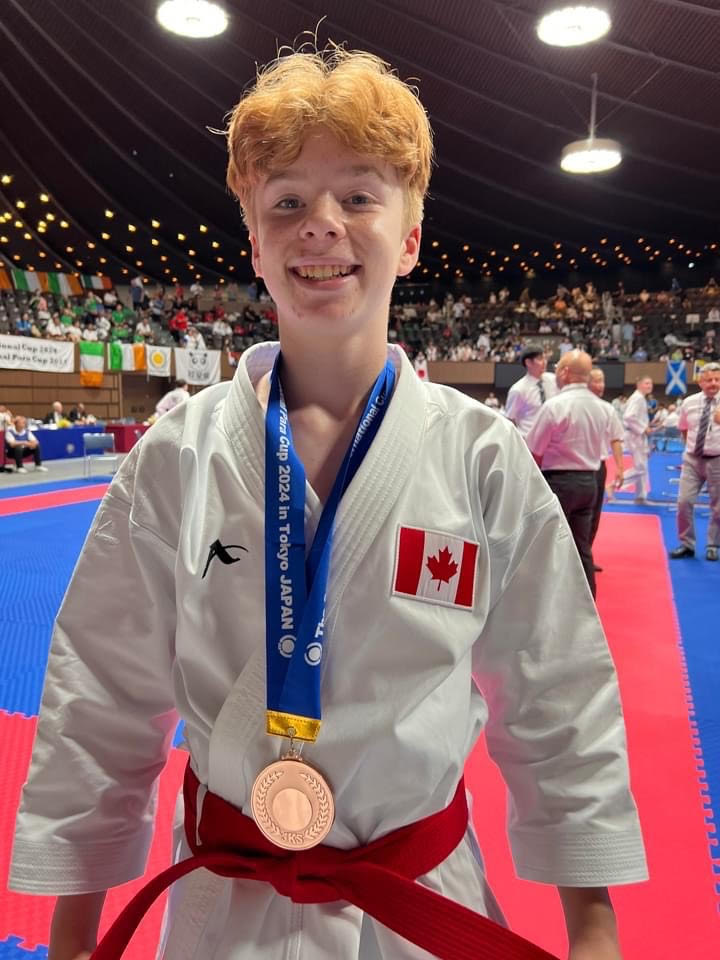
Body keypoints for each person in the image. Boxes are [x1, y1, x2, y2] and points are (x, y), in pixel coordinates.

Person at [10, 48, 646, 960]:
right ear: (256, 244)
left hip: (418, 898)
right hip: (224, 905)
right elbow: (100, 701)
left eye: (357, 196)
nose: (321, 226)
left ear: (413, 235)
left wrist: (595, 929)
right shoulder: (176, 459)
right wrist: (74, 936)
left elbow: (557, 692)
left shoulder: (481, 459)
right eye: (287, 203)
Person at [526, 351, 624, 596]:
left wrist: (529, 484)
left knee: (547, 545)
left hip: (559, 482)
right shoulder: (603, 408)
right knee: (582, 546)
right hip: (589, 482)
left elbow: (534, 451)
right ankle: (587, 600)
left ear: (564, 372)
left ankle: (545, 600)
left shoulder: (555, 406)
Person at [669, 362, 720, 561]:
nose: (713, 383)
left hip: (717, 459)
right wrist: (691, 447)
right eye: (709, 380)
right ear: (700, 381)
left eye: (717, 379)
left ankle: (713, 544)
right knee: (684, 502)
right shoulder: (689, 402)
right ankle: (686, 544)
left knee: (718, 506)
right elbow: (683, 428)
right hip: (692, 458)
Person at [588, 368, 624, 569]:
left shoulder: (607, 409)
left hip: (597, 466)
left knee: (594, 514)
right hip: (572, 466)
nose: (601, 385)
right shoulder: (567, 404)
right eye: (596, 381)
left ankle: (586, 553)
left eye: (602, 381)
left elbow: (615, 439)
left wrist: (619, 467)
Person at [504, 348, 557, 438]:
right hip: (529, 440)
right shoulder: (518, 389)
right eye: (540, 359)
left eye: (545, 358)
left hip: (552, 438)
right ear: (528, 362)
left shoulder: (553, 380)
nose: (545, 362)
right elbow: (509, 419)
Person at [619, 377, 653, 503]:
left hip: (637, 434)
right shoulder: (637, 398)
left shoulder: (640, 398)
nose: (650, 385)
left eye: (651, 383)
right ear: (638, 385)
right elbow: (628, 417)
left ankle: (641, 496)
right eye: (646, 383)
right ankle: (615, 484)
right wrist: (644, 428)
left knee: (642, 465)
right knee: (641, 468)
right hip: (634, 435)